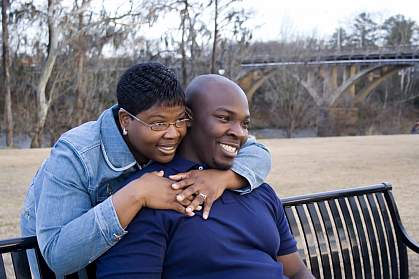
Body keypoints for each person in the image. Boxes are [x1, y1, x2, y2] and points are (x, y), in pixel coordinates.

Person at [20, 63, 272, 276]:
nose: (173, 133)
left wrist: (223, 178)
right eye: (159, 124)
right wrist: (136, 194)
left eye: (180, 120)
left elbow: (257, 152)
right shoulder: (76, 154)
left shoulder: (171, 126)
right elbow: (58, 254)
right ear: (126, 120)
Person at [96, 74, 313, 279]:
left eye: (244, 123)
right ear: (187, 118)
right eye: (224, 118)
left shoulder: (256, 189)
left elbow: (297, 272)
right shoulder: (149, 195)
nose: (239, 132)